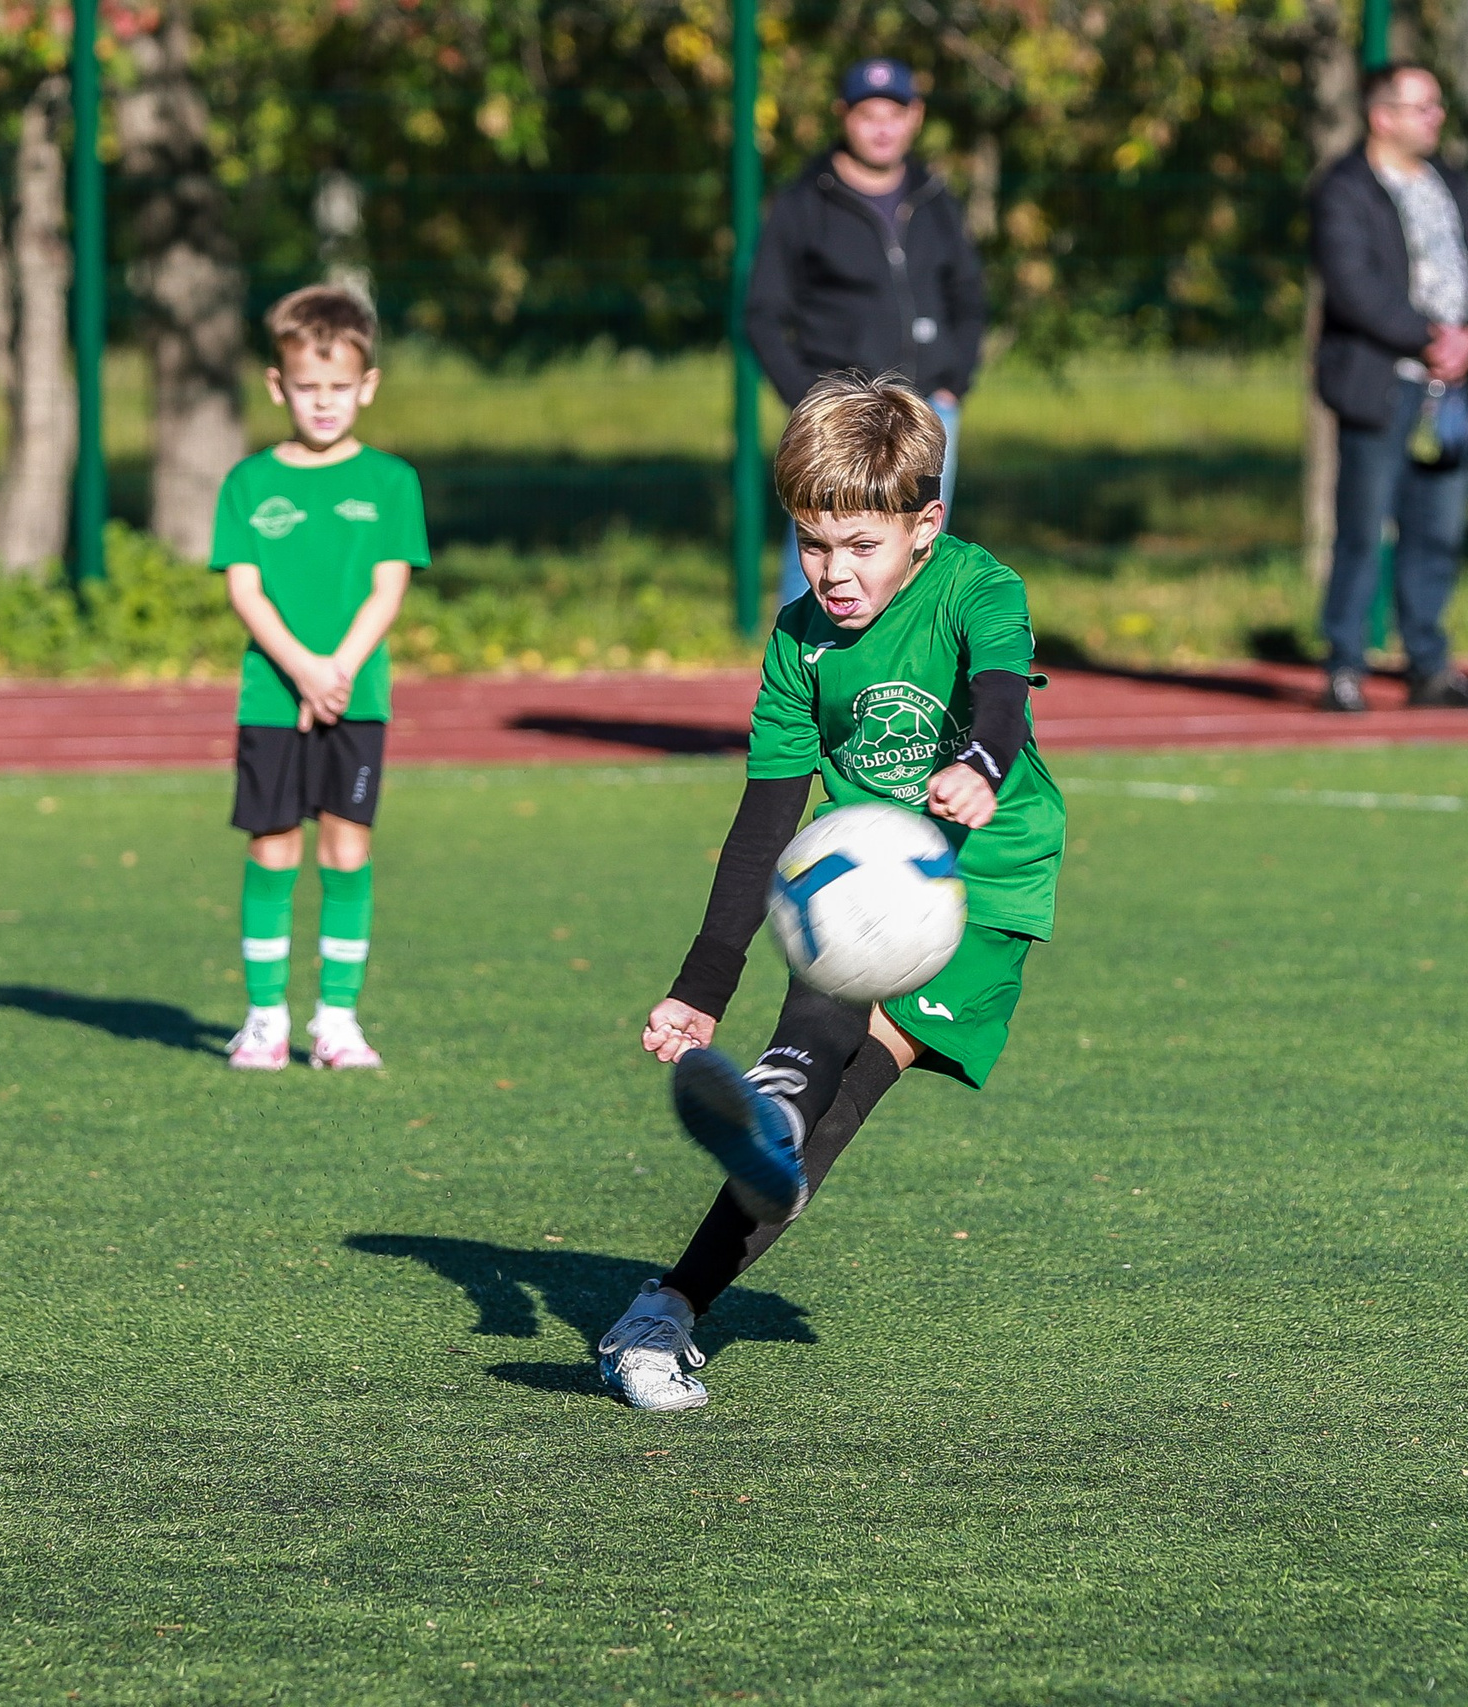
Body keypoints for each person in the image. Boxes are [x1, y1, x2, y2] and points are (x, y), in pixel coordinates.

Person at [596, 371, 1064, 1412]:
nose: (834, 573)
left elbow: (999, 690)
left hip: (985, 883)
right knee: (809, 1064)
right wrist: (701, 984)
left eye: (861, 546)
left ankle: (682, 1281)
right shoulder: (799, 640)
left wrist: (979, 767)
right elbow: (765, 818)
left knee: (837, 1111)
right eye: (813, 544)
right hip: (854, 871)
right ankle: (669, 1303)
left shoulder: (977, 585)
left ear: (923, 526)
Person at [212, 286, 429, 1071]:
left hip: (355, 696)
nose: (324, 402)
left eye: (340, 387)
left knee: (345, 850)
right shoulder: (247, 483)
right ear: (278, 385)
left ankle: (336, 1019)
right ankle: (264, 1017)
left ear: (366, 385)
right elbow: (245, 588)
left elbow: (388, 586)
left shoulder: (391, 482)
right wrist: (302, 669)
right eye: (308, 387)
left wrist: (336, 669)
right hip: (273, 696)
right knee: (273, 849)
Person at [746, 57, 986, 605]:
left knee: (917, 558)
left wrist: (953, 382)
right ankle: (802, 671)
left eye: (894, 113)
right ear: (843, 117)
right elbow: (761, 313)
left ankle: (904, 677)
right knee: (827, 543)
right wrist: (811, 401)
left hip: (926, 411)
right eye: (867, 114)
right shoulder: (806, 200)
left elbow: (969, 298)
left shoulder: (935, 196)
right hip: (840, 414)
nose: (882, 127)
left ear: (916, 117)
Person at [1310, 61, 1468, 714]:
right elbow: (1353, 283)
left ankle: (1428, 665)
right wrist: (1428, 337)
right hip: (1381, 386)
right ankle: (1345, 665)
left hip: (1451, 390)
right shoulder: (1345, 188)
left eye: (1437, 105)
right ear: (1382, 114)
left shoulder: (1448, 181)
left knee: (1439, 529)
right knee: (1363, 530)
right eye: (1422, 107)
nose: (1436, 118)